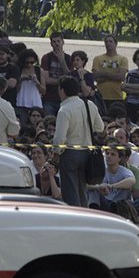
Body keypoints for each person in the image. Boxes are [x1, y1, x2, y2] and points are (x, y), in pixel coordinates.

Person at [51, 76, 105, 208]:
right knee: (82, 189)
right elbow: (100, 127)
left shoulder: (64, 110)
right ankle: (84, 216)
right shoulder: (89, 104)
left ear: (62, 90)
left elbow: (60, 138)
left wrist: (55, 154)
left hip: (70, 153)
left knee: (70, 191)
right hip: (87, 152)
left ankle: (74, 218)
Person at [94, 141, 137, 212]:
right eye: (107, 153)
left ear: (119, 158)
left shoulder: (124, 171)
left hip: (119, 206)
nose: (109, 156)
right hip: (105, 203)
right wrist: (99, 187)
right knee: (93, 192)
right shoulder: (102, 170)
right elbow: (87, 185)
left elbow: (132, 181)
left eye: (113, 154)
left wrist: (111, 186)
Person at [93, 34, 128, 111]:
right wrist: (114, 76)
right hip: (101, 97)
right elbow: (95, 77)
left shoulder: (123, 59)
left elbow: (121, 77)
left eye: (110, 41)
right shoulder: (98, 59)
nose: (108, 43)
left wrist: (104, 74)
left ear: (115, 43)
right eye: (106, 41)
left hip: (117, 97)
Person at [41, 33, 72, 116]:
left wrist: (62, 61)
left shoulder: (69, 58)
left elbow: (70, 77)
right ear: (51, 43)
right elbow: (46, 79)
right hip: (49, 98)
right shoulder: (46, 57)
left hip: (64, 98)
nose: (57, 44)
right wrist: (63, 80)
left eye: (58, 41)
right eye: (54, 42)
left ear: (63, 42)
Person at [15, 49, 45, 123]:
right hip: (21, 103)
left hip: (35, 103)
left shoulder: (39, 70)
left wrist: (36, 82)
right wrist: (21, 80)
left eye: (32, 62)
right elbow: (15, 90)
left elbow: (43, 91)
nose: (29, 65)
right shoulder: (18, 70)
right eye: (27, 62)